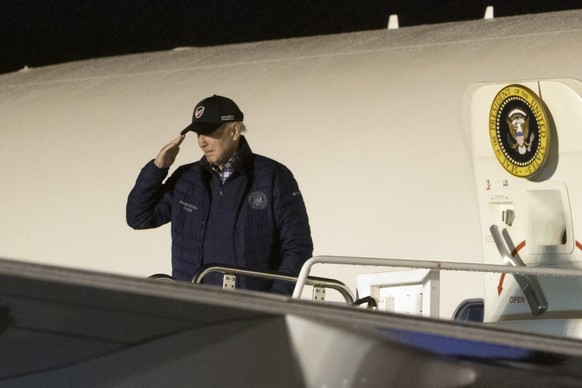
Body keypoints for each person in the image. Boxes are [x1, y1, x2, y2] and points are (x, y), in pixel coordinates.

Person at [126, 95, 313, 294]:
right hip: (194, 304)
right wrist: (158, 168)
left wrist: (275, 301)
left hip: (251, 308)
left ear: (234, 131)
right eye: (198, 134)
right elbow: (139, 217)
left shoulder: (272, 176)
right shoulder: (187, 179)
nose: (202, 142)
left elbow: (297, 246)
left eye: (209, 132)